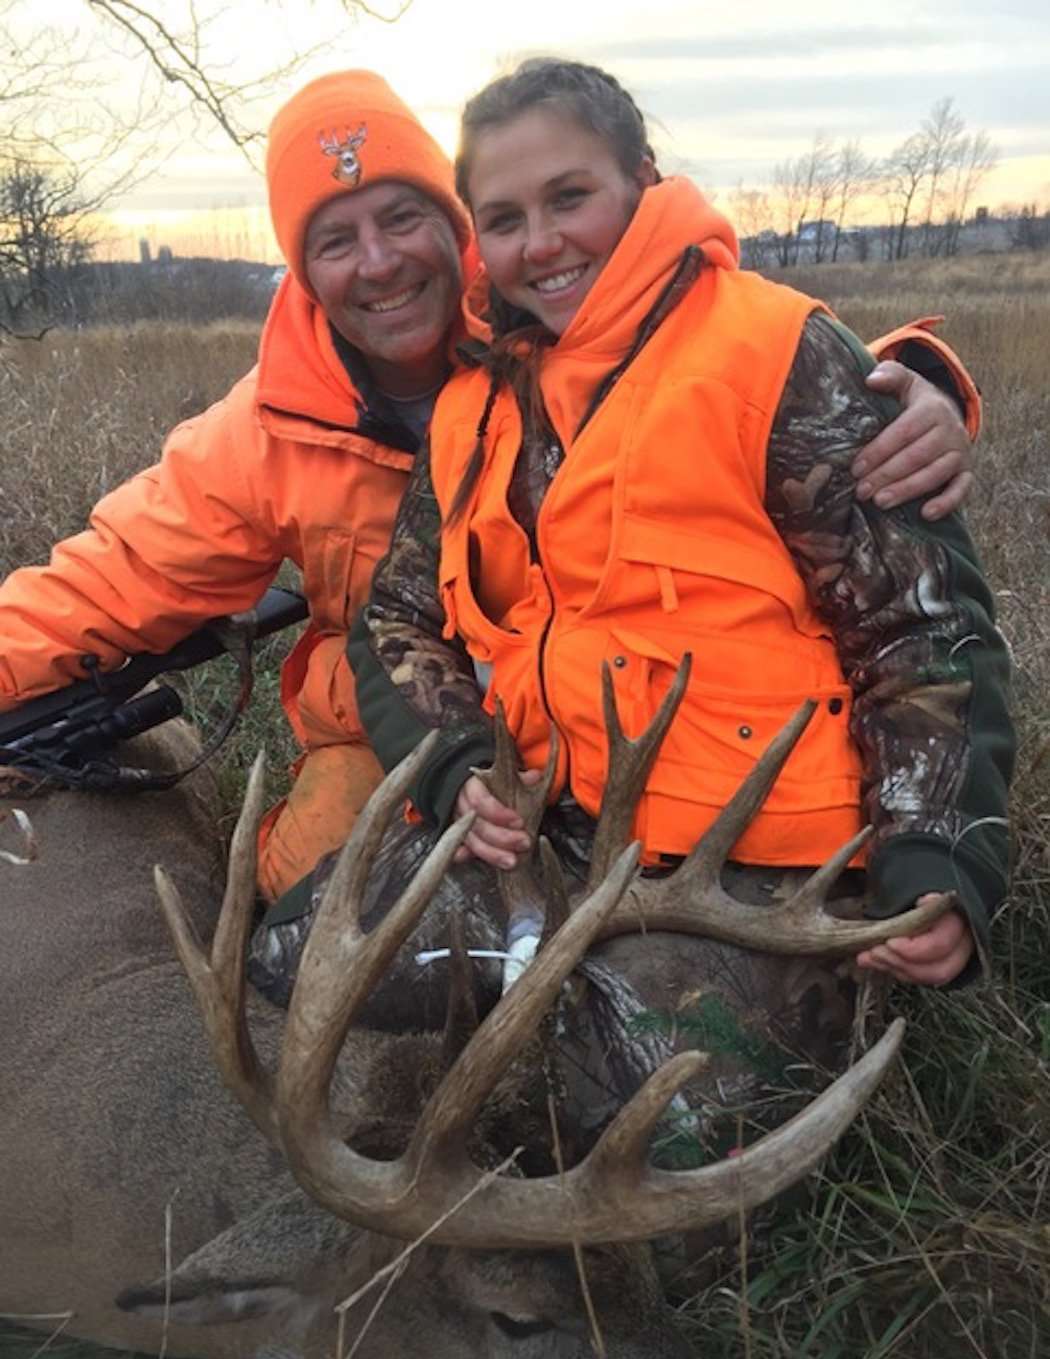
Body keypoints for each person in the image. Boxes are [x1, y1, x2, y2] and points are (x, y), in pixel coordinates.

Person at [0, 69, 979, 906]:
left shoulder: (542, 304)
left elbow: (722, 340)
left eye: (401, 218)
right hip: (395, 725)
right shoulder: (265, 433)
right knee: (313, 914)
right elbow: (102, 584)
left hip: (614, 728)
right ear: (302, 270)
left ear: (453, 224)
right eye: (336, 240)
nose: (379, 263)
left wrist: (905, 383)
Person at [349, 58, 1012, 989]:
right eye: (503, 219)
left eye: (569, 197)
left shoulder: (774, 352)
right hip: (543, 840)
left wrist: (934, 863)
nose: (540, 243)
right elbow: (396, 617)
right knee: (300, 971)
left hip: (756, 875)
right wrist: (455, 759)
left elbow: (923, 629)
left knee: (630, 1104)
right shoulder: (477, 405)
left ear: (642, 181)